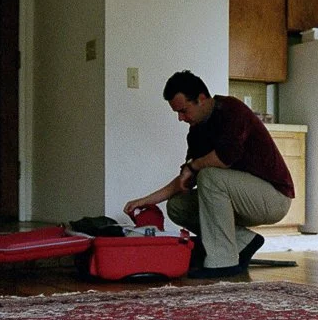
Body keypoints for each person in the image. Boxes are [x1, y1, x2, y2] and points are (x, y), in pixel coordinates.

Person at [123, 70, 293, 278]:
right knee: (177, 206)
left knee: (209, 176)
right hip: (239, 196)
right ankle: (243, 241)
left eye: (184, 111)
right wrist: (145, 201)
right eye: (177, 113)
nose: (180, 118)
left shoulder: (231, 110)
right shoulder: (196, 131)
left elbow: (223, 157)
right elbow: (186, 179)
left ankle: (223, 262)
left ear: (201, 99)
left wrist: (194, 167)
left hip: (273, 198)